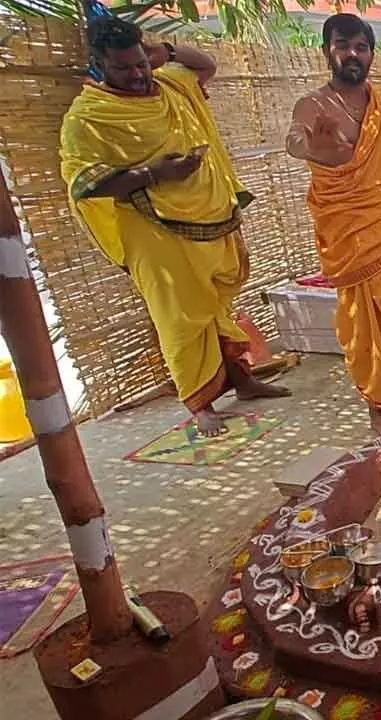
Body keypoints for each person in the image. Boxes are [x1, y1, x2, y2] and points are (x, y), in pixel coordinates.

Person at [59, 16, 289, 437]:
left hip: (212, 215)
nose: (137, 74)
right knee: (179, 319)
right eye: (123, 68)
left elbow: (206, 65)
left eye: (140, 63)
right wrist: (153, 174)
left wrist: (165, 51)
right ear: (99, 64)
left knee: (218, 304)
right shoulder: (88, 118)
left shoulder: (172, 85)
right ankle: (200, 403)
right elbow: (86, 184)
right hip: (155, 231)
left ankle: (243, 381)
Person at [287, 14, 381, 433]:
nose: (352, 53)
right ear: (327, 51)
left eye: (361, 46)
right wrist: (311, 148)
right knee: (370, 324)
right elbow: (295, 140)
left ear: (371, 54)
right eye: (342, 45)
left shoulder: (380, 107)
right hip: (353, 237)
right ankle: (379, 405)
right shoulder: (313, 105)